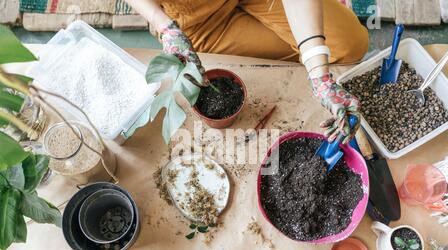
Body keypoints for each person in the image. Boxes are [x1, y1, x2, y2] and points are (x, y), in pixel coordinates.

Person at [125, 0, 369, 143]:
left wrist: (320, 77)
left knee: (350, 45)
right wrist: (163, 25)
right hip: (195, 17)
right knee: (299, 57)